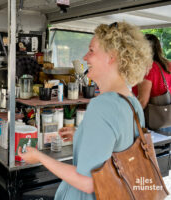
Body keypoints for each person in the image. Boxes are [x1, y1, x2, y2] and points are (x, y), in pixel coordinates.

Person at [19, 22, 152, 199]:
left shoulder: (103, 105)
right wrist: (82, 135)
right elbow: (118, 150)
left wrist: (40, 157)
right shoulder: (131, 103)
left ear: (111, 56)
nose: (85, 57)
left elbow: (88, 182)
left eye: (91, 50)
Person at [132, 34, 171, 132]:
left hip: (154, 122)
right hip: (168, 119)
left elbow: (142, 101)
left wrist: (130, 119)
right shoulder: (168, 65)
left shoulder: (149, 68)